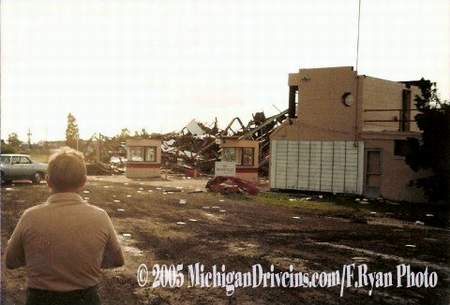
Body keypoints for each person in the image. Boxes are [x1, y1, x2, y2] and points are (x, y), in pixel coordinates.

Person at [5, 147, 125, 305]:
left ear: (48, 181)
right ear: (84, 181)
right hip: (85, 299)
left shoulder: (30, 216)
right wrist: (89, 262)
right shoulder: (100, 216)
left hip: (40, 300)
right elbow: (117, 260)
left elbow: (11, 262)